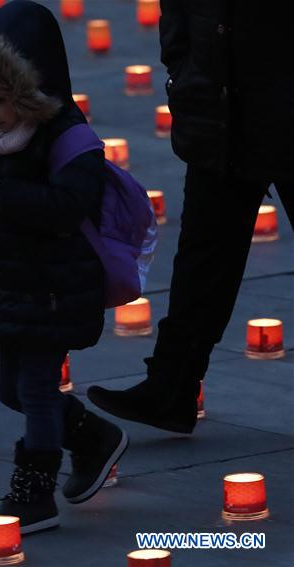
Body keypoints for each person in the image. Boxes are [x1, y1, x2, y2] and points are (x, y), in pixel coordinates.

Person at [0, 1, 127, 534]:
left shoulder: (70, 139)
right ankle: (93, 436)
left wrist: (3, 192)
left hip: (56, 286)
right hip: (12, 280)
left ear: (32, 88)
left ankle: (33, 494)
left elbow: (67, 207)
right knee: (9, 390)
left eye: (1, 98)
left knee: (38, 388)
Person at [86, 1, 294, 433]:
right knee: (203, 257)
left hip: (280, 108)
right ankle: (171, 387)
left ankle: (170, 387)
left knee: (205, 255)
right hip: (220, 112)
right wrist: (182, 72)